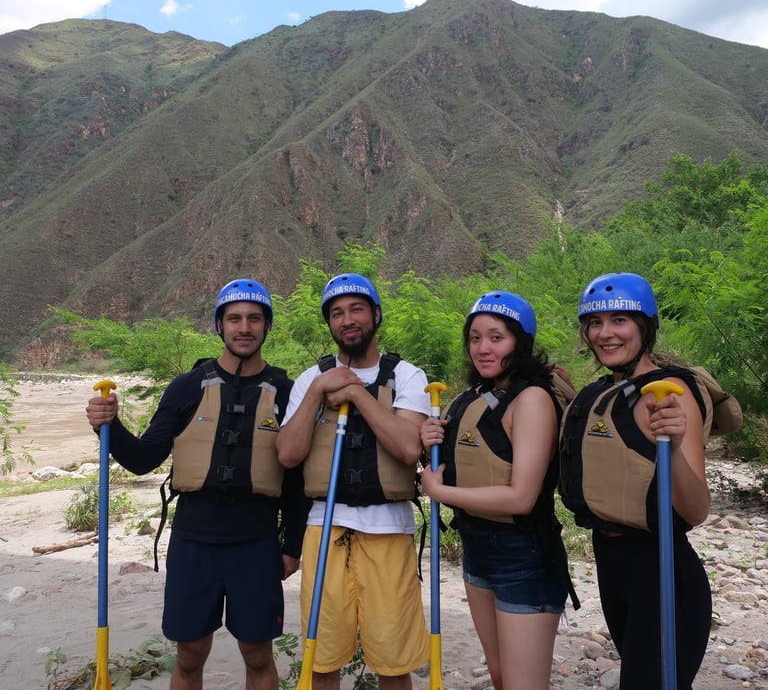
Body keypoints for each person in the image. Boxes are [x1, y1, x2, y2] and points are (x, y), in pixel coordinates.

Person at [85, 278, 310, 690]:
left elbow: (295, 483)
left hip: (256, 544)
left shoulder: (286, 392)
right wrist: (110, 425)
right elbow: (142, 460)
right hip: (194, 543)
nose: (245, 327)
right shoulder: (187, 388)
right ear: (219, 326)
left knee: (258, 655)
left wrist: (291, 546)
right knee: (189, 657)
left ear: (267, 326)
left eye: (254, 319)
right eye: (235, 319)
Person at [558, 272, 714, 690]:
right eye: (595, 323)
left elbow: (697, 509)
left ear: (644, 327)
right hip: (611, 564)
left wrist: (677, 445)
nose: (605, 333)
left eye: (619, 321)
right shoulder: (603, 391)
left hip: (661, 570)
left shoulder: (668, 392)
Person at [276, 273, 430, 690]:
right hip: (324, 527)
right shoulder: (311, 378)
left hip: (389, 529)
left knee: (393, 662)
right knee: (322, 656)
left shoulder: (408, 376)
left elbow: (408, 449)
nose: (347, 320)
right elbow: (288, 454)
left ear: (376, 315)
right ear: (329, 324)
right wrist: (318, 392)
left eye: (357, 309)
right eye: (337, 313)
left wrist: (358, 394)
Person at [419, 290, 577, 690]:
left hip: (524, 556)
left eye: (496, 337)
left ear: (520, 342)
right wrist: (431, 439)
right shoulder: (467, 399)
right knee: (502, 677)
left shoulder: (533, 399)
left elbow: (521, 497)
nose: (482, 348)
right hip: (478, 551)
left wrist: (441, 494)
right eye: (475, 338)